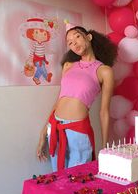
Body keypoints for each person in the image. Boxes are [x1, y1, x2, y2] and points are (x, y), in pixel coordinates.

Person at [36, 26, 117, 172]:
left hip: (78, 130)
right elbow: (59, 100)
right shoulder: (68, 66)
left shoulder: (104, 71)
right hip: (55, 128)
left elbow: (104, 111)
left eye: (77, 37)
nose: (74, 43)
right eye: (70, 43)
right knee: (58, 178)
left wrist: (105, 147)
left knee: (77, 180)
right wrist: (43, 132)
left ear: (88, 37)